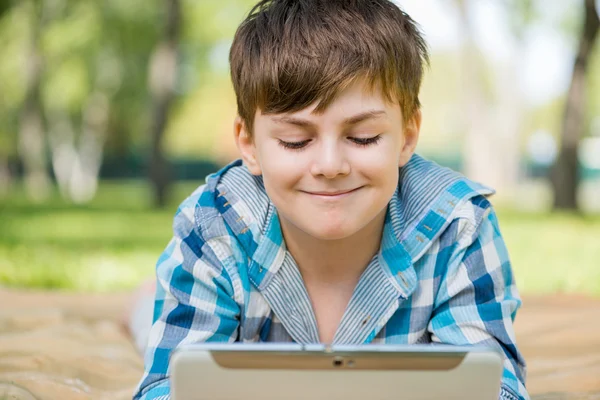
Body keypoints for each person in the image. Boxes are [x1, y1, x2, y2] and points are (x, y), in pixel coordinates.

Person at [132, 0, 528, 399]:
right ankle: (143, 303)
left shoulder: (458, 227)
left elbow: (496, 388)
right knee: (144, 324)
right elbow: (166, 388)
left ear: (407, 136)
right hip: (201, 288)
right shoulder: (213, 228)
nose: (330, 165)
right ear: (248, 144)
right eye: (295, 141)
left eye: (363, 138)